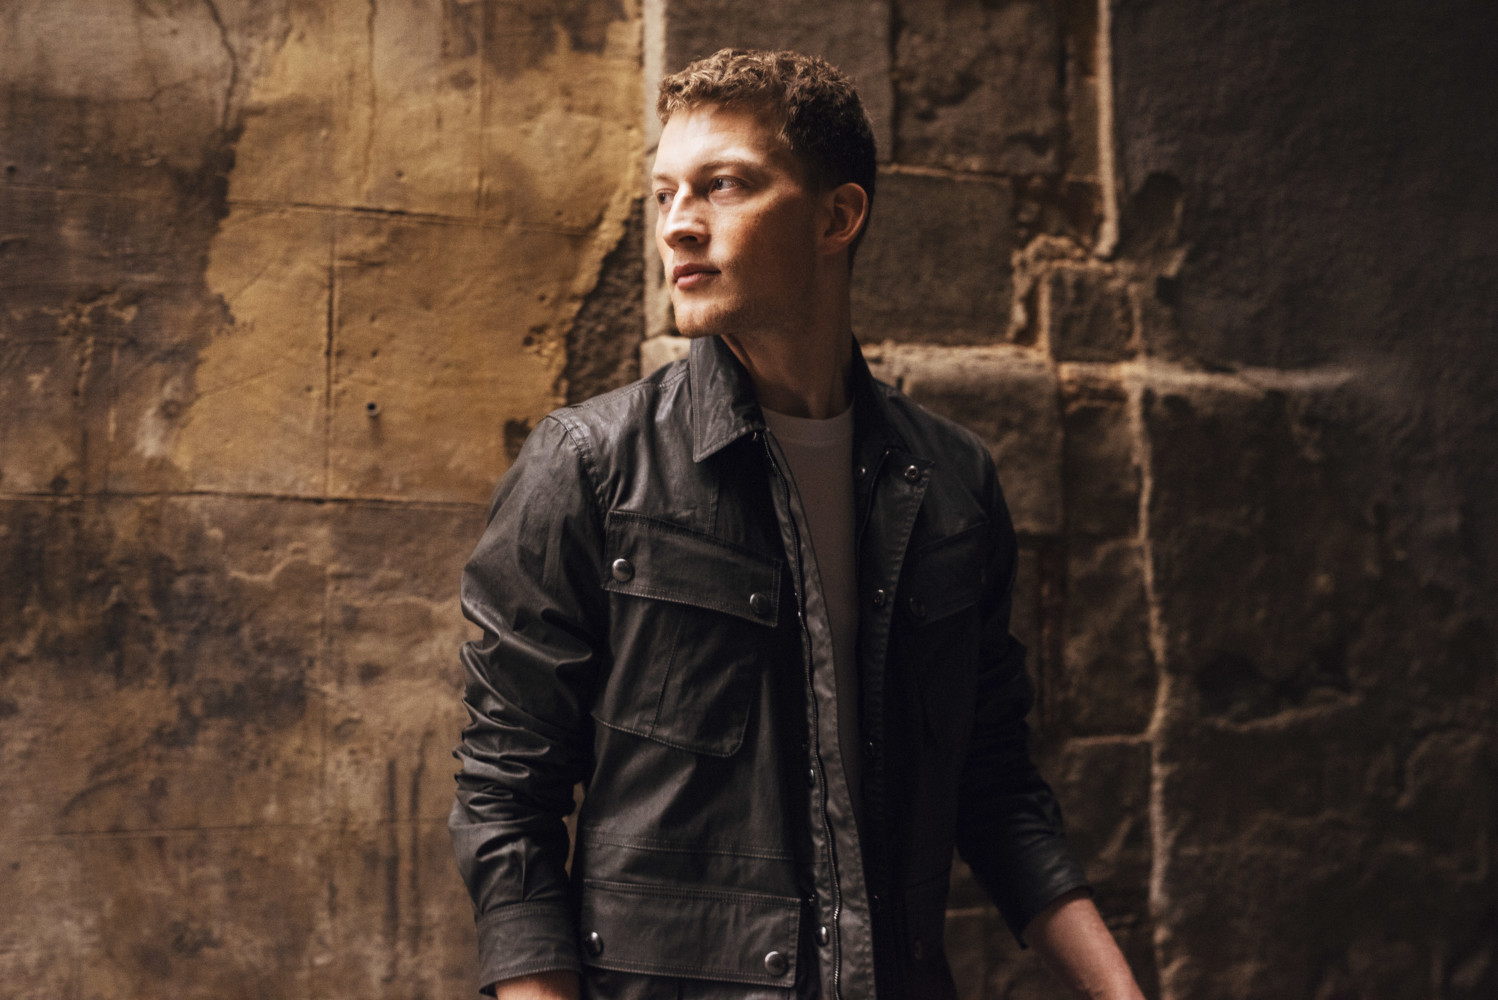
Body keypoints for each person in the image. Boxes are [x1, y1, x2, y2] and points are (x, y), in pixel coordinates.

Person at [450, 48, 1145, 1000]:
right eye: (664, 194)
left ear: (836, 217)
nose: (679, 223)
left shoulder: (952, 482)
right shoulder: (588, 465)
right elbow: (505, 798)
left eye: (724, 185)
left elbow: (993, 784)